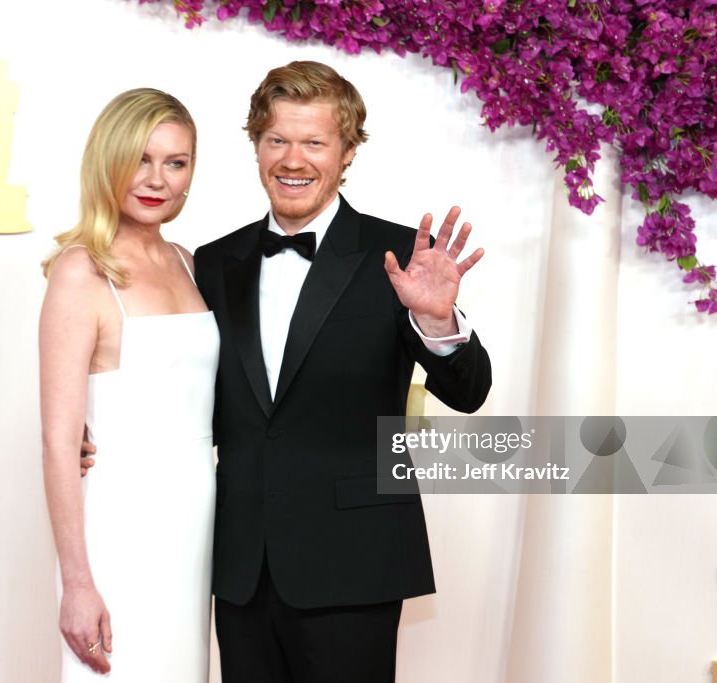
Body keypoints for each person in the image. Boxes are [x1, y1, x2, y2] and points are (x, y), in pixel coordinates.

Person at [193, 61, 492, 682]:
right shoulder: (216, 261)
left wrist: (438, 322)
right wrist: (104, 438)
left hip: (356, 561)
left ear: (347, 152)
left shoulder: (402, 257)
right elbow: (198, 393)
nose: (292, 159)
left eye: (314, 142)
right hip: (243, 565)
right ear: (255, 145)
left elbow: (469, 391)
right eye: (277, 139)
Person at [40, 88, 217, 681]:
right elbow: (60, 441)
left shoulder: (191, 263)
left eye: (175, 162)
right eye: (141, 158)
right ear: (107, 160)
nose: (157, 179)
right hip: (120, 521)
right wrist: (77, 583)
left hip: (195, 520)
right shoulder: (81, 271)